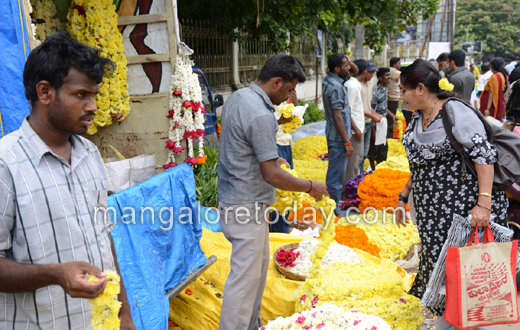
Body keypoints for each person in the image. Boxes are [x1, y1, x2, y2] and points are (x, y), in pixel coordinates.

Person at [0, 31, 135, 329]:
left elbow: (104, 235)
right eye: (80, 95)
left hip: (97, 322)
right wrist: (55, 274)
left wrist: (123, 311)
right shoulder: (5, 164)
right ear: (45, 92)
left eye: (94, 96)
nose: (93, 107)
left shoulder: (89, 153)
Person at [218, 53, 328, 330]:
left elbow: (242, 145)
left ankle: (251, 325)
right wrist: (310, 186)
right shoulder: (260, 113)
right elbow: (272, 175)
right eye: (290, 89)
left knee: (253, 277)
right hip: (246, 207)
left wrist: (272, 156)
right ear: (277, 82)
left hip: (234, 201)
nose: (290, 98)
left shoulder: (240, 97)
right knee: (244, 283)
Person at [396, 59, 508, 329]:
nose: (400, 96)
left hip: (462, 213)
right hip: (432, 217)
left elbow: (484, 157)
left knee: (469, 276)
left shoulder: (455, 111)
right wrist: (403, 196)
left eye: (402, 90)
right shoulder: (418, 116)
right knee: (442, 275)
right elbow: (422, 163)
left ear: (420, 89)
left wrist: (484, 204)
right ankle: (453, 321)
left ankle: (466, 323)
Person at [321, 53, 355, 217]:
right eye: (346, 65)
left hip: (337, 136)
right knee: (336, 176)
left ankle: (331, 206)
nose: (349, 68)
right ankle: (332, 209)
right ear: (337, 68)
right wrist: (347, 142)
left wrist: (348, 61)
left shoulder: (331, 79)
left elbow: (354, 70)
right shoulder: (335, 86)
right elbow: (337, 116)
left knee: (336, 174)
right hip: (338, 139)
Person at [270, 90, 299, 233]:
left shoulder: (287, 92)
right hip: (276, 144)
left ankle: (283, 226)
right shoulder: (270, 95)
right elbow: (265, 124)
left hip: (286, 143)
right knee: (280, 191)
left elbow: (292, 116)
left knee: (288, 189)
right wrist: (281, 120)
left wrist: (295, 103)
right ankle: (278, 229)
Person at [368, 67, 397, 170]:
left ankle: (380, 170)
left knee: (383, 149)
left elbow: (384, 107)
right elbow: (371, 110)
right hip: (376, 125)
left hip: (382, 124)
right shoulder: (375, 91)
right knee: (373, 150)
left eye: (389, 75)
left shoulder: (385, 89)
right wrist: (373, 131)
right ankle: (373, 170)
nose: (389, 77)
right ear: (380, 78)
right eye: (386, 75)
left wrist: (392, 115)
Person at [343, 59, 366, 187]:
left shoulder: (354, 85)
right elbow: (347, 111)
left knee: (355, 163)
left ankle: (352, 189)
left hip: (356, 129)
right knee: (351, 165)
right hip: (353, 131)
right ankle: (347, 192)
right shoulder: (351, 86)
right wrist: (356, 130)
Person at [359, 60, 384, 172]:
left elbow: (368, 106)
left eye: (373, 72)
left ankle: (360, 175)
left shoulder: (369, 86)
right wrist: (372, 116)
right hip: (360, 124)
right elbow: (357, 109)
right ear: (364, 71)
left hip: (368, 124)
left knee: (365, 154)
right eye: (370, 72)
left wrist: (377, 115)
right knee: (359, 156)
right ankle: (357, 178)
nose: (372, 75)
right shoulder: (358, 86)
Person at [387, 57, 402, 138]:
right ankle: (389, 138)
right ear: (394, 65)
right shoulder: (394, 72)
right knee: (390, 120)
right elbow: (404, 76)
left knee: (389, 120)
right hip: (392, 98)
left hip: (390, 98)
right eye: (399, 63)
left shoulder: (389, 71)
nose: (400, 65)